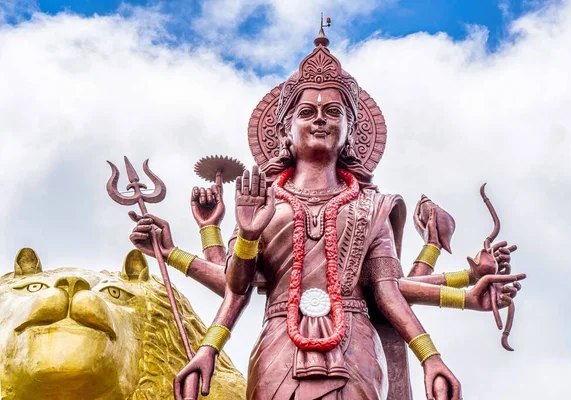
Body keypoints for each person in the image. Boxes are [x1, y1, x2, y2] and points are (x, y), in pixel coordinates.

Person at [129, 30, 525, 400]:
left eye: (334, 112)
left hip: (355, 348)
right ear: (285, 130)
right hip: (278, 344)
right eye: (306, 112)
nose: (320, 118)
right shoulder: (262, 202)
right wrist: (207, 349)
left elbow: (387, 291)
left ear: (351, 131)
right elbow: (237, 286)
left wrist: (431, 357)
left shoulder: (371, 206)